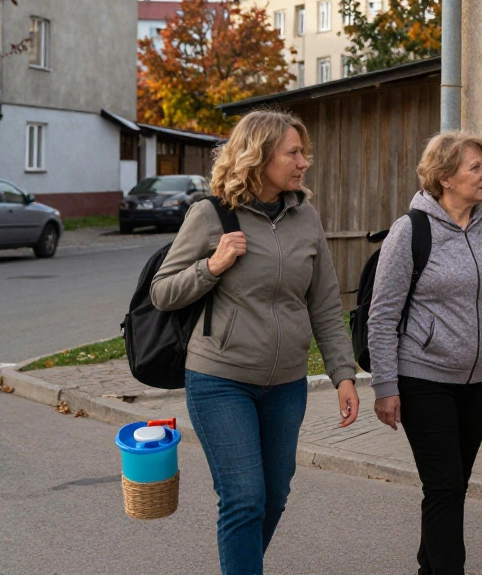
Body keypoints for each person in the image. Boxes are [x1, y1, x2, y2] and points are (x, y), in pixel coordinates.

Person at [151, 109, 360, 575]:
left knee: (274, 496)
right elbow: (162, 292)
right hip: (220, 380)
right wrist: (214, 265)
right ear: (259, 156)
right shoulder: (210, 215)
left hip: (286, 383)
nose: (304, 161)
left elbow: (325, 304)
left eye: (303, 152)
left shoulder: (305, 218)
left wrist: (344, 375)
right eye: (293, 152)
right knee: (244, 497)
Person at [367, 132, 482, 575]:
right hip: (423, 377)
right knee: (445, 485)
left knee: (453, 486)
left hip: (480, 381)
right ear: (445, 177)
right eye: (475, 168)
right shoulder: (411, 230)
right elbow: (382, 315)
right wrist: (385, 386)